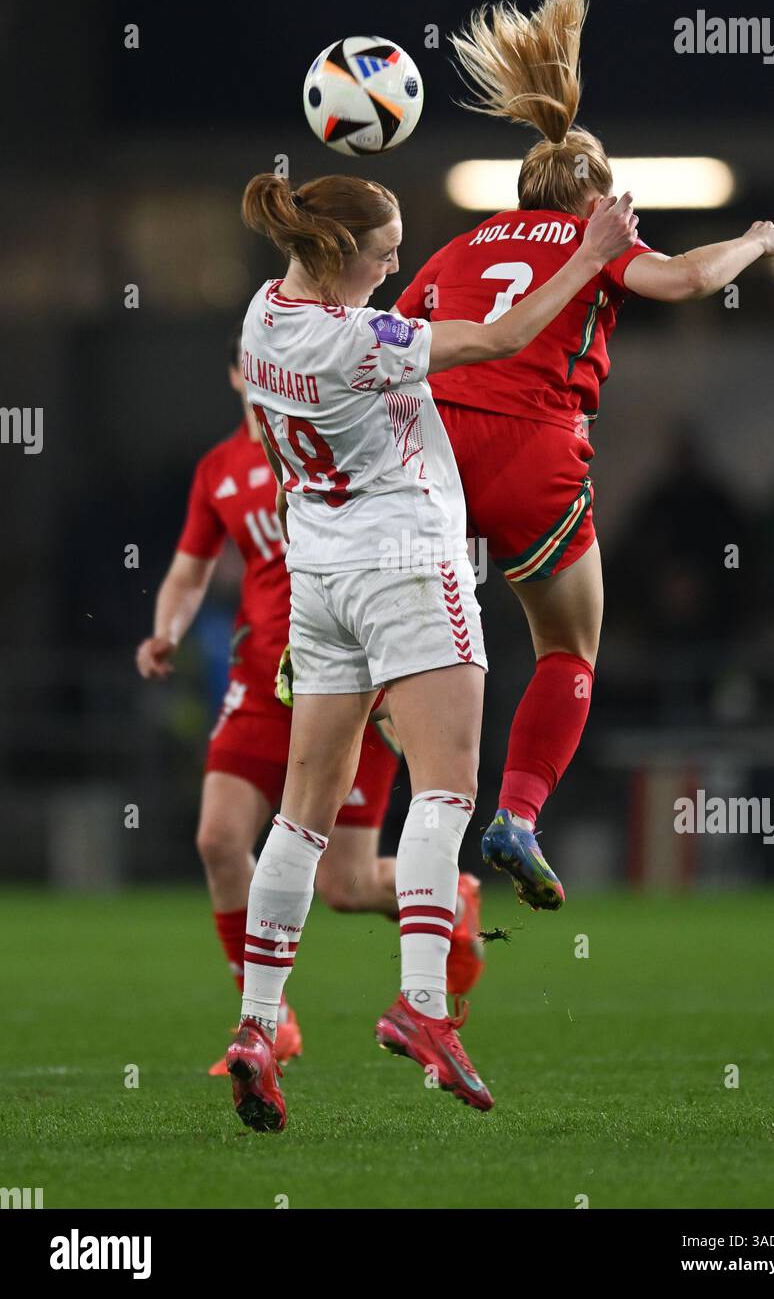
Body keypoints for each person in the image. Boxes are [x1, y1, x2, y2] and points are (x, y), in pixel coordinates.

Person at [224, 168, 638, 1129]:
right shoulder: (364, 341)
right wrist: (590, 252)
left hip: (319, 577)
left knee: (298, 820)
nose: (398, 263)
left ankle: (253, 1026)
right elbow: (496, 338)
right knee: (445, 790)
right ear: (341, 256)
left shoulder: (260, 320)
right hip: (408, 561)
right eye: (385, 251)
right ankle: (421, 1006)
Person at [395, 0, 774, 910]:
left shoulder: (459, 248)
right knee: (569, 648)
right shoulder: (596, 236)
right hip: (530, 456)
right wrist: (751, 240)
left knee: (411, 631)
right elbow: (688, 278)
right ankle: (519, 813)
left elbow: (382, 346)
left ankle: (358, 695)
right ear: (590, 194)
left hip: (429, 454)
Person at [136, 333, 484, 1075]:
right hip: (264, 681)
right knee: (219, 838)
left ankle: (446, 896)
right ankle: (268, 1020)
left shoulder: (335, 432)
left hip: (352, 670)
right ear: (242, 373)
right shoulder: (221, 471)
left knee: (347, 884)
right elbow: (189, 571)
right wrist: (166, 630)